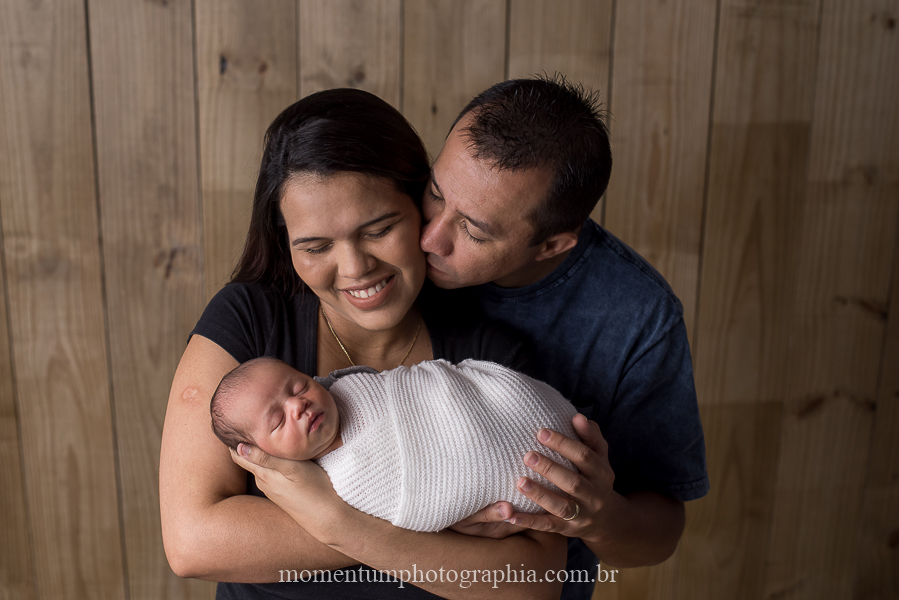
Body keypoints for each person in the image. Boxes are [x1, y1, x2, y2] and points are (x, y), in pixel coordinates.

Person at [160, 88, 567, 600]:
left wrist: (338, 522)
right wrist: (443, 519)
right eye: (316, 246)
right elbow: (193, 542)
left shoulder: (487, 359)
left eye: (379, 230)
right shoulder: (250, 320)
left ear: (423, 203)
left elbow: (536, 582)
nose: (354, 269)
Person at [414, 73, 711, 572]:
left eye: (474, 231)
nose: (430, 239)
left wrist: (597, 517)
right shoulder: (384, 224)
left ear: (552, 245)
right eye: (436, 193)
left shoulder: (638, 315)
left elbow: (659, 535)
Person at [210, 356, 578, 532]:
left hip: (495, 410)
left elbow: (422, 382)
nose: (298, 405)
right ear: (264, 456)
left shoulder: (349, 384)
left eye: (298, 386)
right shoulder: (340, 484)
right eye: (277, 420)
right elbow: (418, 510)